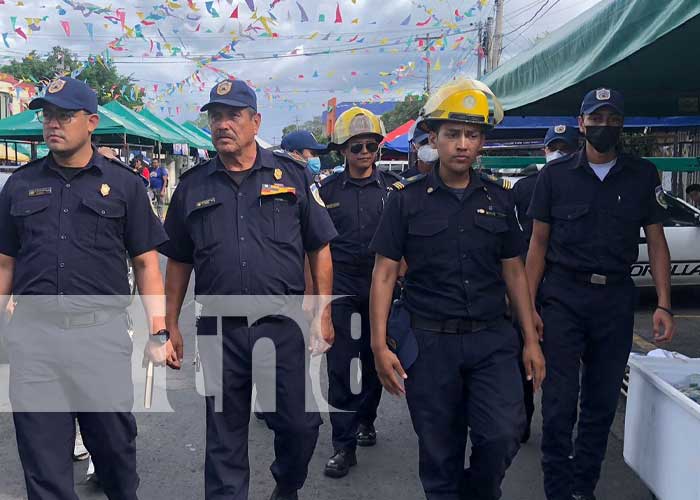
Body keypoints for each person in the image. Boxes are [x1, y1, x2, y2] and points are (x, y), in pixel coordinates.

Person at [159, 79, 337, 500]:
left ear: (255, 122)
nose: (223, 124)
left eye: (233, 115)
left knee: (300, 425)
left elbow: (319, 246)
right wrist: (169, 322)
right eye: (216, 116)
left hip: (283, 324)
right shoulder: (193, 187)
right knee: (224, 439)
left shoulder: (290, 176)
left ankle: (286, 485)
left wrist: (323, 312)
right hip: (220, 329)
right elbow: (179, 261)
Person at [0, 77, 177, 500]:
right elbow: (5, 261)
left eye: (64, 115)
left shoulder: (124, 184)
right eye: (47, 115)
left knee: (114, 453)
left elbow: (146, 262)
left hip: (100, 338)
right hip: (35, 341)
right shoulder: (19, 185)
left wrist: (158, 329)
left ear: (91, 122)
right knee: (43, 467)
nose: (52, 124)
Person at [369, 78, 546, 500]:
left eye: (471, 134)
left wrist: (531, 339)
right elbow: (383, 274)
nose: (462, 144)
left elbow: (515, 272)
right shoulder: (405, 200)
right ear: (434, 138)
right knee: (439, 453)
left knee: (503, 435)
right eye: (452, 134)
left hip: (491, 339)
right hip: (430, 343)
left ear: (481, 141)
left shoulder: (500, 201)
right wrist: (379, 345)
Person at [526, 88, 675, 500]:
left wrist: (663, 303)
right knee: (558, 404)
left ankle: (582, 489)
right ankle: (557, 490)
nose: (603, 127)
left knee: (601, 401)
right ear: (581, 123)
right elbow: (537, 246)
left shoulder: (643, 175)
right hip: (562, 298)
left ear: (621, 124)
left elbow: (657, 241)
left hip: (614, 300)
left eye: (612, 120)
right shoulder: (554, 177)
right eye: (596, 118)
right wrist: (528, 309)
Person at [318, 107, 402, 478]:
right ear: (342, 152)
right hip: (341, 286)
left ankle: (366, 419)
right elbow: (315, 247)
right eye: (356, 147)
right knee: (340, 366)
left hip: (382, 286)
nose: (364, 152)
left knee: (374, 359)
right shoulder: (326, 192)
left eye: (370, 145)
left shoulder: (394, 192)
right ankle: (343, 445)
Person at [511, 125, 579, 443]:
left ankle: (551, 420)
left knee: (557, 358)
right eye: (555, 147)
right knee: (524, 349)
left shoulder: (581, 184)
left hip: (563, 284)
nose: (558, 154)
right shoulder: (524, 188)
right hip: (528, 280)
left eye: (564, 148)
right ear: (545, 150)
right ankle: (525, 415)